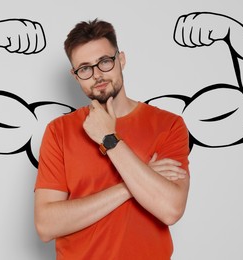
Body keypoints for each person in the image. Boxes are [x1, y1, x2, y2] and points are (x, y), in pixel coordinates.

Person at [34, 19, 190, 259]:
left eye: (105, 62)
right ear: (75, 76)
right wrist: (133, 186)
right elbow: (46, 226)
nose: (97, 75)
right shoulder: (59, 131)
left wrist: (110, 139)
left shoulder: (168, 125)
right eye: (85, 68)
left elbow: (170, 209)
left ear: (121, 60)